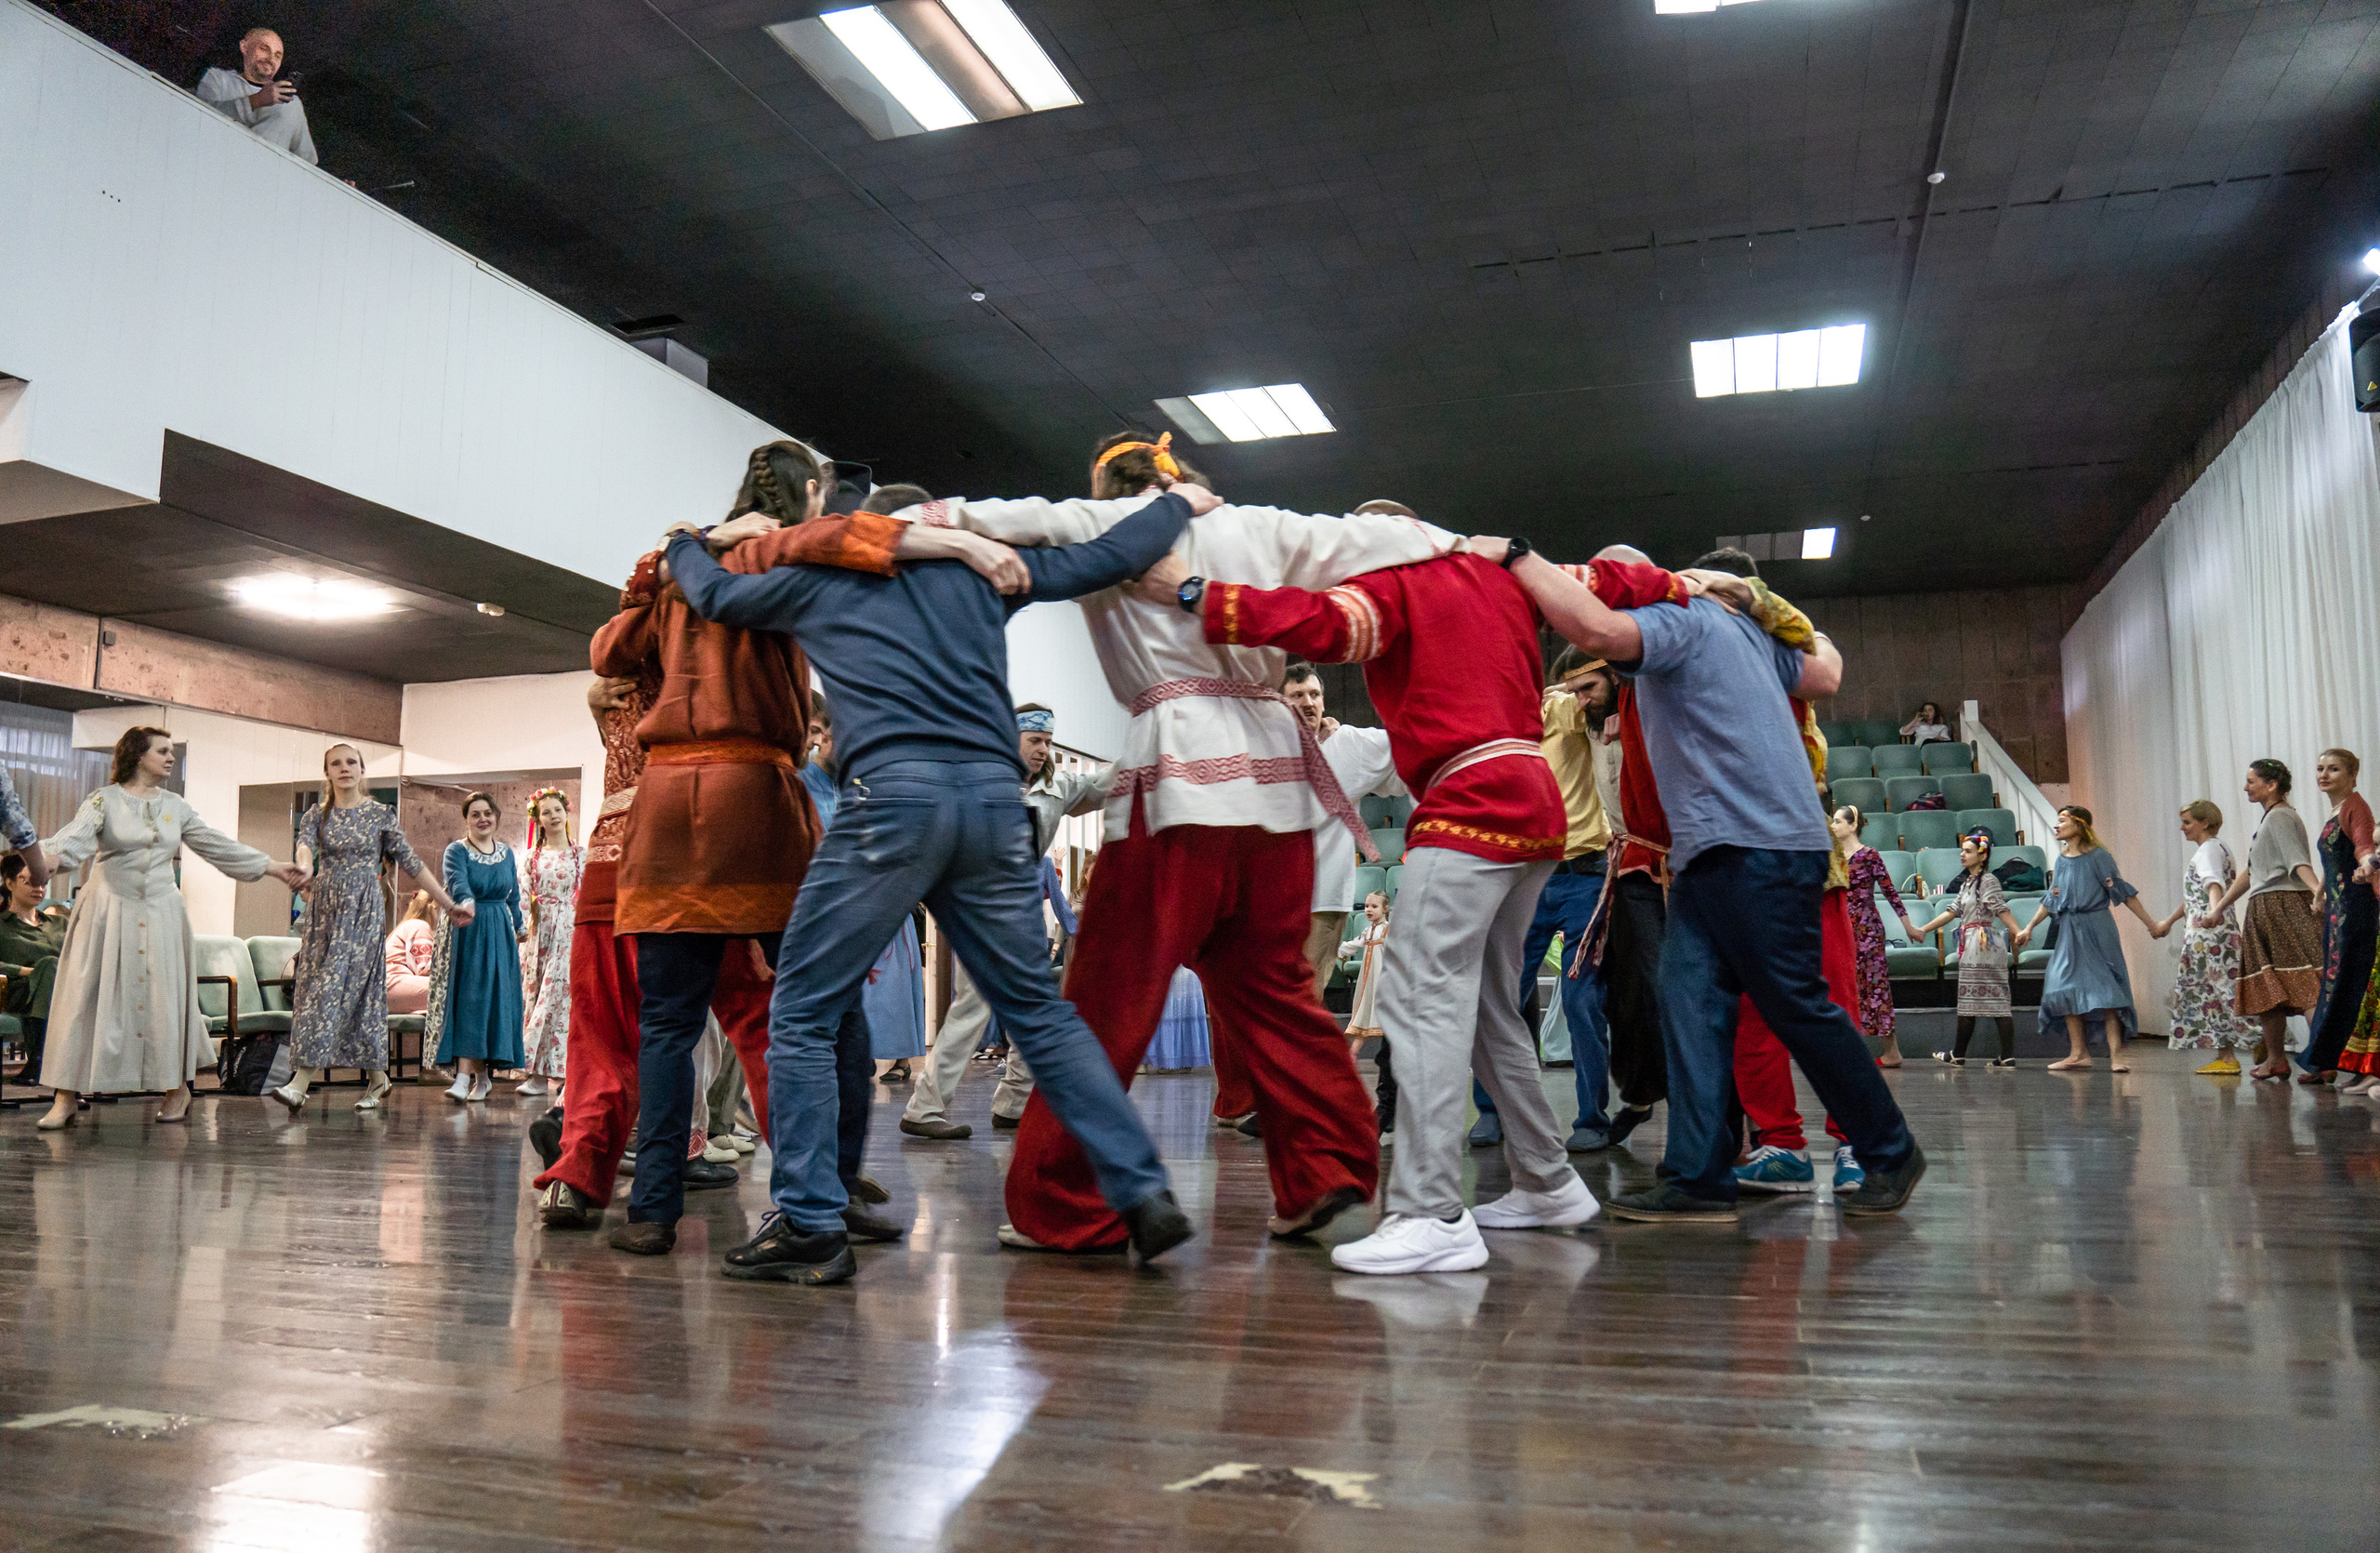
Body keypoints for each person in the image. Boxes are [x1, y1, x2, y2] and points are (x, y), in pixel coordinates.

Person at [899, 431, 1473, 1253]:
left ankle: (1069, 1201)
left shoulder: (1098, 521)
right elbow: (1385, 537)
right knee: (1277, 993)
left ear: (1109, 480)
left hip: (1179, 775)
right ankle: (1329, 1178)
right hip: (1277, 789)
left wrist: (861, 530)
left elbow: (955, 517)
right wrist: (1481, 548)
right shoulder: (1258, 527)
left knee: (1109, 993)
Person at [662, 458, 1214, 1283]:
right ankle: (1141, 1188)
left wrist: (684, 544)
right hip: (995, 807)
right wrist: (1173, 503)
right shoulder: (981, 578)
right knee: (1039, 1012)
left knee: (804, 1011)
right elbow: (1106, 553)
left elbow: (714, 596)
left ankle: (811, 1222)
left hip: (893, 802)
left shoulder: (821, 583)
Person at [1183, 540, 1602, 1275]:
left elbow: (1322, 626)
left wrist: (1197, 592)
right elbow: (1598, 586)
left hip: (1471, 795)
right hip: (1536, 797)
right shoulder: (1500, 580)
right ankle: (1547, 1180)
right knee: (1491, 1007)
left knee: (1416, 1000)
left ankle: (1430, 1210)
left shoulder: (1396, 583)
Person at [1507, 547, 1926, 1221]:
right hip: (1717, 849)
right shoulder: (1742, 631)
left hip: (1754, 841)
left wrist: (1514, 560)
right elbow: (1823, 671)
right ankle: (1699, 1175)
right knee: (1690, 1007)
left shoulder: (1679, 619)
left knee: (1793, 1004)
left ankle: (1888, 1147)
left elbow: (1598, 633)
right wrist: (1764, 606)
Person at [36, 726, 305, 1129]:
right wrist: (48, 859)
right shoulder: (103, 800)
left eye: (172, 752)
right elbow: (74, 840)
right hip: (108, 911)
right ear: (137, 755)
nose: (170, 758)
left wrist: (273, 867)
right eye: (162, 751)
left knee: (165, 1001)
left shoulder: (175, 806)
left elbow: (216, 844)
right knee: (86, 997)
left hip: (161, 912)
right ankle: (65, 1095)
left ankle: (177, 1089)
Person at [900, 702, 1109, 1141]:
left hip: (1021, 910)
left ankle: (1013, 1103)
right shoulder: (975, 782)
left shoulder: (1056, 787)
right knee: (976, 1004)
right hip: (978, 906)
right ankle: (925, 1107)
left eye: (1049, 742)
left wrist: (1157, 749)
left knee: (1034, 1005)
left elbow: (1105, 783)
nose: (1043, 749)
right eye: (1035, 741)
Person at [276, 743, 470, 1113]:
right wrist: (304, 866)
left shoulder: (381, 814)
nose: (344, 768)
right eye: (336, 763)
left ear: (362, 770)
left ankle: (300, 1083)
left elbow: (412, 863)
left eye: (351, 762)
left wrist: (447, 904)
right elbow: (304, 848)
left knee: (333, 992)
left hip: (363, 910)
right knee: (326, 993)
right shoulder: (317, 814)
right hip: (324, 911)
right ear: (328, 772)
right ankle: (379, 1077)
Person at [794, 697, 919, 1208]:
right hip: (804, 947)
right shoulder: (799, 787)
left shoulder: (859, 793)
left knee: (853, 1067)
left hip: (845, 949)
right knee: (822, 1070)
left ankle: (840, 1177)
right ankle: (821, 1191)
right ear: (825, 732)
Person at [2196, 760, 2321, 1082]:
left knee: (2304, 983)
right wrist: (2219, 908)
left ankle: (2324, 1060)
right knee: (2267, 987)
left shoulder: (2280, 816)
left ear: (2272, 785)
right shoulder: (2271, 819)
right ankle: (2277, 1059)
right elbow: (2252, 873)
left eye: (2252, 781)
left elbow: (2297, 861)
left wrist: (2317, 890)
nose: (2246, 787)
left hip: (2281, 905)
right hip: (2266, 906)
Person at [2016, 805, 2159, 1072]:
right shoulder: (2060, 861)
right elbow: (2052, 899)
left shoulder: (2098, 857)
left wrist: (2151, 924)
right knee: (2063, 985)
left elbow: (2123, 892)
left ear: (2079, 825)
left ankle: (2116, 1056)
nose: (2056, 826)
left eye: (2062, 821)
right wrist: (2029, 927)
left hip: (2096, 926)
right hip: (2069, 928)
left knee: (2106, 988)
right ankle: (2078, 1053)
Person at [2153, 801, 2259, 1072]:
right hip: (2209, 930)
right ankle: (2227, 1056)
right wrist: (2170, 921)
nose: (2183, 827)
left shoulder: (2209, 849)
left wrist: (2213, 914)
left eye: (2188, 822)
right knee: (2212, 993)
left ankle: (2260, 1037)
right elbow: (2194, 896)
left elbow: (2214, 885)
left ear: (2205, 823)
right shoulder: (2214, 848)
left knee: (2224, 990)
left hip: (2210, 934)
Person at [436, 793, 525, 1101]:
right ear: (467, 820)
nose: (482, 819)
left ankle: (483, 1078)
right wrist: (468, 903)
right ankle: (463, 1078)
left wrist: (519, 924)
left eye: (487, 813)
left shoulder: (507, 853)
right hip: (469, 928)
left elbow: (512, 894)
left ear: (496, 817)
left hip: (500, 929)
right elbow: (458, 882)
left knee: (494, 1002)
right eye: (475, 814)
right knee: (471, 1000)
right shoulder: (456, 851)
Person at [1909, 830, 2023, 1066]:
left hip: (1983, 943)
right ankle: (1975, 1055)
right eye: (1962, 850)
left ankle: (1975, 1054)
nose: (1962, 854)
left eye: (1968, 851)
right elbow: (1952, 911)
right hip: (1974, 943)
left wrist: (2018, 931)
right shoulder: (1968, 882)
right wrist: (1923, 929)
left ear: (1983, 856)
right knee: (1977, 1000)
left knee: (1990, 1000)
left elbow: (2001, 909)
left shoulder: (1988, 880)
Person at [2302, 750, 2376, 1082]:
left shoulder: (2355, 807)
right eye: (2320, 769)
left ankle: (2345, 1063)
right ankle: (2325, 1060)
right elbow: (2331, 862)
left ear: (2352, 775)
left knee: (2348, 981)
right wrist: (2319, 894)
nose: (2324, 774)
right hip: (2338, 908)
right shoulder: (2336, 810)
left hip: (2356, 909)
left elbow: (2363, 846)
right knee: (2335, 980)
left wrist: (2366, 865)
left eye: (2333, 769)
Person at [1835, 804, 1917, 1066]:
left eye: (1838, 821)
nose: (1833, 826)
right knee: (1847, 987)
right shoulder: (1834, 858)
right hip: (1844, 928)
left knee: (1876, 987)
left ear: (1852, 825)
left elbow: (1890, 892)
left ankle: (1892, 1051)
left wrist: (1908, 927)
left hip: (1867, 929)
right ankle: (1850, 1049)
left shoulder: (1869, 855)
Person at [518, 788, 582, 1098]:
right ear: (538, 819)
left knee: (564, 999)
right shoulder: (532, 856)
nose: (553, 816)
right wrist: (521, 929)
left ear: (566, 812)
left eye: (557, 810)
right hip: (541, 932)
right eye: (546, 812)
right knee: (538, 996)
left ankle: (571, 1075)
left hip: (570, 931)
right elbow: (520, 896)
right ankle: (538, 1074)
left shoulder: (580, 855)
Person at [194, 28, 318, 166]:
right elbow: (200, 122)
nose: (271, 59)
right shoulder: (218, 80)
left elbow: (307, 162)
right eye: (264, 49)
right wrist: (257, 101)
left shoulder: (291, 104)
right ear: (244, 47)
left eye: (278, 56)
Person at [0, 852, 66, 1088]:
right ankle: (39, 1059)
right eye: (28, 880)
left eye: (44, 882)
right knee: (49, 964)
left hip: (66, 992)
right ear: (9, 883)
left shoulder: (60, 924)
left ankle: (40, 1062)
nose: (39, 887)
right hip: (18, 993)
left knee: (53, 967)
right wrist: (28, 971)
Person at [386, 892, 435, 1015]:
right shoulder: (420, 925)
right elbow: (425, 968)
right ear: (434, 908)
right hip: (394, 984)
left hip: (387, 988)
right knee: (451, 992)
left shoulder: (407, 925)